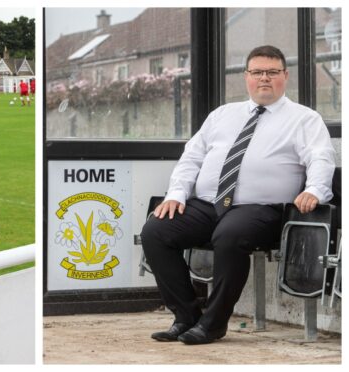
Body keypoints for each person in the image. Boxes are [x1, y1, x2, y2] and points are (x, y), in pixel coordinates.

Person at [140, 45, 335, 345]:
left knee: (229, 235)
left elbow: (321, 157)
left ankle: (213, 324)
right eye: (257, 72)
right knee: (156, 230)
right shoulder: (222, 115)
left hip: (261, 210)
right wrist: (177, 194)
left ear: (285, 75)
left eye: (272, 72)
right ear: (246, 77)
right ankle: (186, 317)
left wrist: (314, 190)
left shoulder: (304, 119)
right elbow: (191, 158)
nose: (264, 78)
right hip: (208, 204)